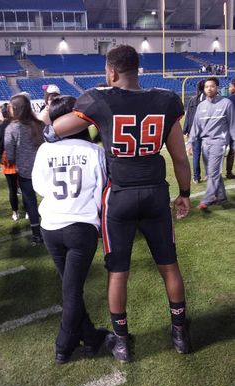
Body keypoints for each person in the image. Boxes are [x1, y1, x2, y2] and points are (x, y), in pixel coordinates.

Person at [44, 44, 192, 362]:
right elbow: (179, 157)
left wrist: (50, 120)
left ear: (111, 71)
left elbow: (52, 131)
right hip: (155, 192)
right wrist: (184, 193)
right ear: (137, 70)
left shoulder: (101, 98)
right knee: (169, 266)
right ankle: (180, 334)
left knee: (118, 272)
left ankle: (122, 342)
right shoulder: (166, 100)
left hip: (121, 195)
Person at [32, 95, 111, 364]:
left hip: (51, 226)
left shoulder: (44, 150)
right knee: (72, 289)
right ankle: (64, 345)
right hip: (81, 226)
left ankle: (90, 337)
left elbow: (40, 188)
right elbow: (102, 189)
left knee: (71, 286)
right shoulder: (94, 152)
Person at [188, 77, 235, 210]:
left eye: (212, 86)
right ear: (204, 89)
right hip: (205, 143)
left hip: (219, 143)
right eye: (207, 86)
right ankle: (221, 197)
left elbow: (232, 125)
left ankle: (207, 199)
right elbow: (196, 127)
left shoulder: (226, 103)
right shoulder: (201, 106)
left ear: (217, 88)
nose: (209, 88)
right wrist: (190, 142)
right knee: (212, 171)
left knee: (212, 172)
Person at [4, 94, 44, 245]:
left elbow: (10, 155)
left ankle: (37, 235)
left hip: (26, 172)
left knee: (30, 203)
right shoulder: (39, 124)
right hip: (44, 169)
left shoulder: (12, 128)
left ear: (14, 109)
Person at [0, 103, 20, 221]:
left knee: (12, 189)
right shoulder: (17, 125)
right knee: (24, 187)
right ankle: (28, 212)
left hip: (6, 160)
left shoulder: (0, 127)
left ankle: (15, 213)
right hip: (19, 159)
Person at [183, 80, 206, 183]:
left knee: (196, 154)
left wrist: (186, 131)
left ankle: (196, 177)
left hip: (194, 130)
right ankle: (208, 175)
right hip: (206, 130)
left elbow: (188, 116)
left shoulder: (192, 100)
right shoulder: (209, 100)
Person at [226, 78, 235, 179]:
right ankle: (229, 172)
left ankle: (214, 173)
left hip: (226, 129)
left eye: (230, 86)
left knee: (220, 151)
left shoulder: (229, 100)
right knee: (232, 151)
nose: (229, 88)